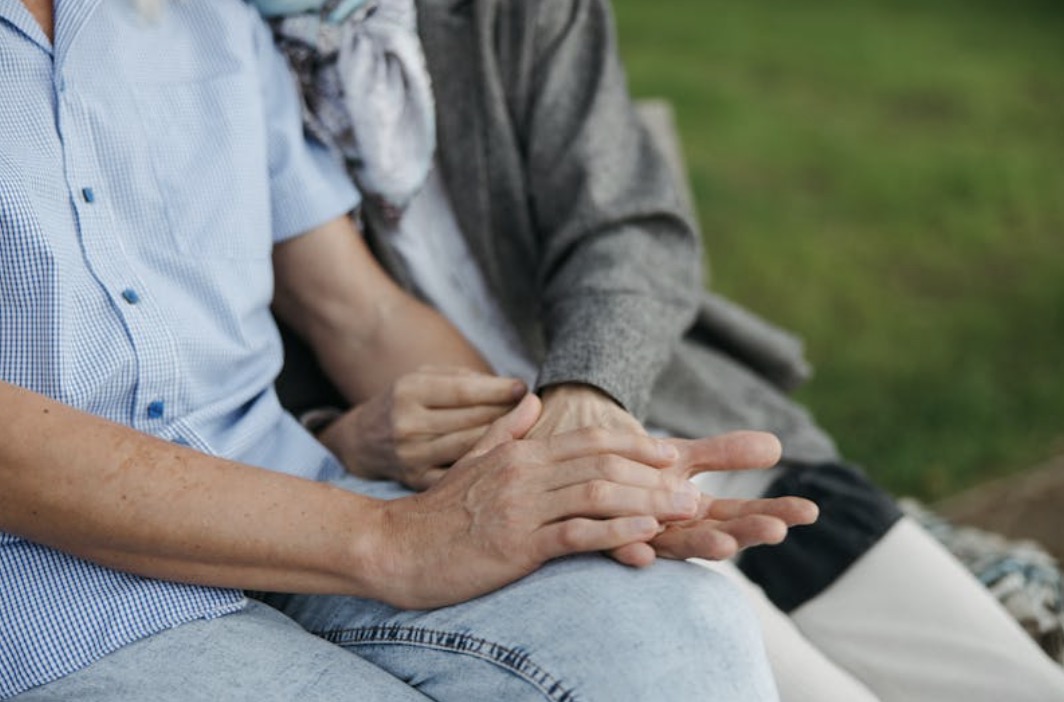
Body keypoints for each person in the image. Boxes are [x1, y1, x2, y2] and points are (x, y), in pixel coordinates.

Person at [0, 1, 824, 700]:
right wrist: (389, 543)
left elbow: (356, 311)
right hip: (54, 585)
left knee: (679, 634)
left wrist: (569, 470)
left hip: (297, 487)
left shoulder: (212, 16)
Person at [267, 1, 1064, 700]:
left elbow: (630, 227)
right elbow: (189, 373)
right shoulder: (203, 54)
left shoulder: (501, 10)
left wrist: (591, 387)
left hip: (665, 412)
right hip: (470, 511)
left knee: (1018, 685)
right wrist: (336, 431)